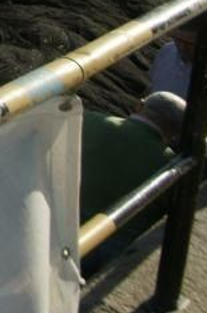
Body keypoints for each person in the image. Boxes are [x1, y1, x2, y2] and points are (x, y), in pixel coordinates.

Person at [79, 91, 186, 224]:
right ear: (177, 132)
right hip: (116, 239)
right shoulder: (172, 165)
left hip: (58, 221)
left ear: (139, 105)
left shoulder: (86, 120)